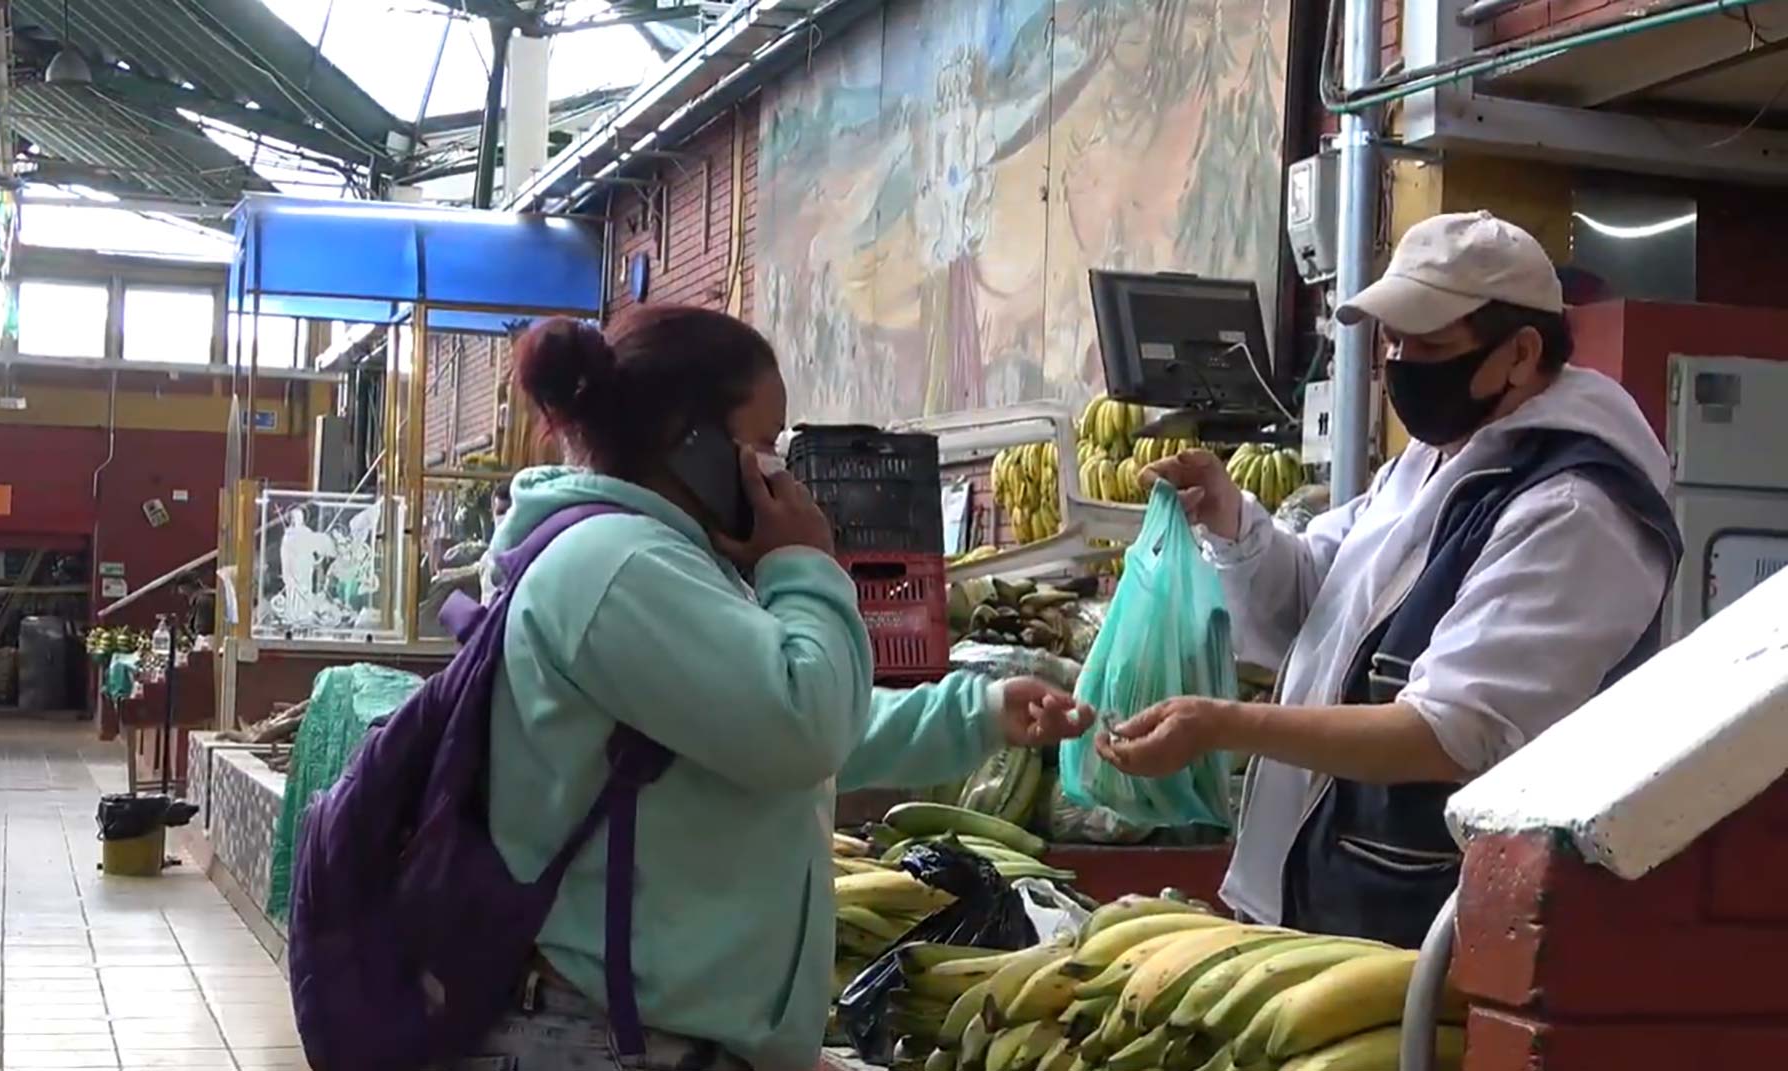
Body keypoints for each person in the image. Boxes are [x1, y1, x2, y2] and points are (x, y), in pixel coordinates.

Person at [470, 304, 1093, 1071]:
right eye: (765, 443)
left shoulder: (662, 560)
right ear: (689, 442)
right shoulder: (619, 568)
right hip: (612, 1040)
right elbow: (803, 725)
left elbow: (778, 725)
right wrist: (805, 561)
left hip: (664, 1035)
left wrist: (981, 712)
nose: (779, 471)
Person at [1102, 211, 1681, 948]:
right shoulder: (1434, 460)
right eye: (1394, 342)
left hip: (1436, 933)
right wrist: (1230, 516)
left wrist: (1224, 724)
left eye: (1431, 344)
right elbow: (1321, 594)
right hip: (1333, 900)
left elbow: (1450, 731)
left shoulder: (1577, 508)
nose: (1401, 364)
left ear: (1521, 352)